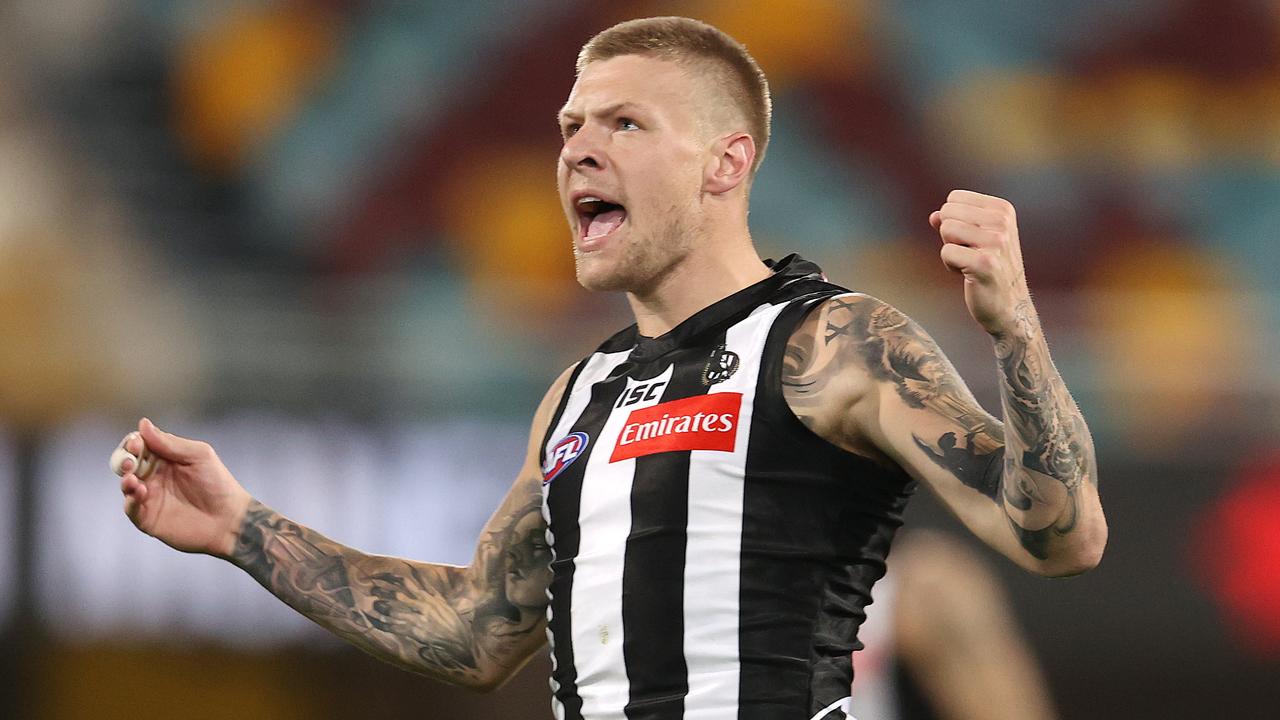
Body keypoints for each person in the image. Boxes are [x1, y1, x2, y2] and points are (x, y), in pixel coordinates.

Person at [112, 16, 1106, 720]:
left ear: (724, 163)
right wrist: (244, 529)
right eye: (569, 130)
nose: (577, 152)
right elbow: (472, 633)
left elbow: (1057, 535)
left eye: (622, 124)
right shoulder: (579, 392)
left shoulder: (831, 342)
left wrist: (1015, 333)